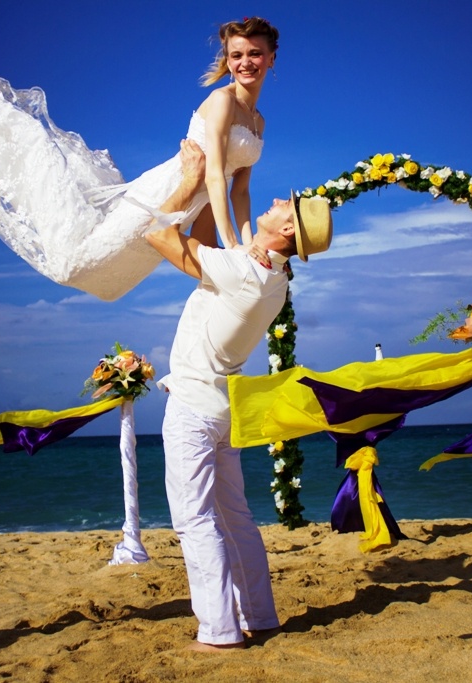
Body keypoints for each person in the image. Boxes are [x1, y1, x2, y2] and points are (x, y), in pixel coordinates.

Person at [0, 17, 280, 301]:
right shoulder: (222, 101)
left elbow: (239, 191)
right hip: (166, 192)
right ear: (227, 60)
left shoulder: (258, 122)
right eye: (237, 54)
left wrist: (248, 244)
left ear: (270, 58)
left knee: (121, 279)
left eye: (255, 53)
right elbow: (214, 176)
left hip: (193, 205)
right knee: (75, 264)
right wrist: (234, 244)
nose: (245, 62)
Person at [144, 140, 332, 651]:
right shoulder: (271, 276)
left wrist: (190, 179)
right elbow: (211, 233)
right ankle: (260, 615)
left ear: (288, 231)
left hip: (194, 408)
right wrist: (223, 175)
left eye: (287, 206)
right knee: (235, 517)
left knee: (195, 519)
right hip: (221, 409)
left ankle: (220, 631)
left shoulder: (245, 272)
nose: (279, 201)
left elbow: (157, 233)